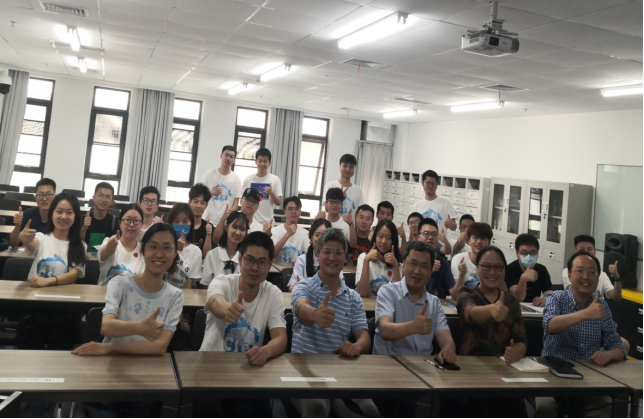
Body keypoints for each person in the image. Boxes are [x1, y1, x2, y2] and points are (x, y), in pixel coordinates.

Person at [72, 223, 185, 418]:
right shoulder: (120, 283)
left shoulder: (175, 295)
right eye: (153, 246)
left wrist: (109, 347)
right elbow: (107, 327)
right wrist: (139, 328)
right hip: (111, 374)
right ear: (143, 249)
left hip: (148, 380)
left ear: (175, 253)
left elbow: (159, 347)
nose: (159, 254)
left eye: (167, 247)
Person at [197, 232, 287, 418]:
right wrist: (227, 309)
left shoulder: (273, 294)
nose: (255, 268)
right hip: (211, 370)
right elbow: (215, 301)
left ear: (270, 264)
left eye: (262, 262)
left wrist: (265, 351)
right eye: (249, 260)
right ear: (240, 259)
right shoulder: (222, 282)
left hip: (248, 371)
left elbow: (280, 338)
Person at [291, 228, 373, 418]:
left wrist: (356, 346)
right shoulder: (303, 287)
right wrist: (315, 314)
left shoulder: (353, 297)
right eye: (327, 252)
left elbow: (364, 337)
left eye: (338, 253)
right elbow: (301, 308)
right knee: (317, 409)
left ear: (345, 257)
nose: (332, 258)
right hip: (303, 370)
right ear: (318, 254)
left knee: (368, 411)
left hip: (339, 371)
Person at [536, 251, 627, 418]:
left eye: (592, 272)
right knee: (546, 410)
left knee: (613, 409)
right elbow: (551, 325)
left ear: (598, 279)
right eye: (580, 271)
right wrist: (585, 314)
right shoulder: (556, 298)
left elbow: (618, 347)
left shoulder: (602, 306)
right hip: (554, 377)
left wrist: (608, 355)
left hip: (589, 380)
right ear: (569, 275)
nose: (586, 276)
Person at [456, 246, 528, 418]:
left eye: (498, 267)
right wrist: (491, 310)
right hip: (471, 374)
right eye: (486, 266)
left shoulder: (511, 301)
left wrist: (517, 352)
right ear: (477, 267)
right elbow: (470, 313)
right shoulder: (467, 293)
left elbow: (521, 339)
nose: (492, 272)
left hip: (505, 374)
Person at [17, 193, 87, 350]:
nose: (63, 217)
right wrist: (23, 237)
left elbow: (74, 274)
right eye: (59, 211)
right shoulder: (42, 238)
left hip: (64, 305)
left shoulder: (80, 245)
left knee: (61, 331)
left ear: (75, 216)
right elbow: (30, 243)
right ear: (52, 214)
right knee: (30, 331)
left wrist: (48, 281)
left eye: (69, 212)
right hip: (35, 302)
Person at [374, 241, 458, 359]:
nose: (417, 271)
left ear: (431, 271)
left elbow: (447, 341)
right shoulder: (387, 292)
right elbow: (385, 330)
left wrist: (447, 350)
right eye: (413, 263)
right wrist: (413, 327)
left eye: (424, 266)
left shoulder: (434, 303)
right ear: (404, 265)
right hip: (389, 364)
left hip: (423, 365)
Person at [562, 235, 622, 302]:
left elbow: (616, 297)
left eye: (589, 249)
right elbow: (574, 292)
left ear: (594, 252)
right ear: (576, 251)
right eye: (582, 249)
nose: (586, 252)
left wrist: (617, 277)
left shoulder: (603, 275)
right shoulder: (568, 272)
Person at [288, 219, 343, 292]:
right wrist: (295, 287)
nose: (320, 239)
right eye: (317, 235)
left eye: (324, 236)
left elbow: (339, 287)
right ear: (311, 236)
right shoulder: (302, 260)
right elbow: (292, 286)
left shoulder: (334, 261)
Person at [97, 204, 145, 286]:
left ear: (141, 224)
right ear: (120, 223)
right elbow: (104, 254)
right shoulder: (108, 241)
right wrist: (110, 247)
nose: (131, 224)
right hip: (105, 292)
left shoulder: (143, 251)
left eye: (136, 220)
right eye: (127, 220)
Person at [451, 222, 507, 291]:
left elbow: (504, 292)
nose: (479, 241)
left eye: (483, 238)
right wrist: (461, 275)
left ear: (489, 243)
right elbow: (456, 294)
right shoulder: (458, 259)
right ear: (469, 241)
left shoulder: (494, 262)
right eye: (475, 238)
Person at [201, 212, 249, 289]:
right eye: (234, 227)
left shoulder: (247, 257)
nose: (238, 232)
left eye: (242, 229)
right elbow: (206, 287)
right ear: (226, 227)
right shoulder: (212, 255)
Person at [356, 220, 402, 298]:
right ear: (375, 237)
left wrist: (395, 266)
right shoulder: (363, 257)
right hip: (367, 305)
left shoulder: (397, 262)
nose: (384, 241)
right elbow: (364, 293)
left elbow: (397, 295)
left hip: (388, 305)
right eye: (380, 236)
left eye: (389, 238)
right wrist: (366, 261)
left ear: (393, 241)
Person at [505, 234, 553, 307]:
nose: (529, 256)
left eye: (533, 253)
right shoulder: (509, 269)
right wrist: (523, 278)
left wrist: (546, 299)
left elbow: (550, 293)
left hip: (535, 308)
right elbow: (518, 298)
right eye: (524, 253)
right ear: (517, 253)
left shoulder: (542, 269)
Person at [164, 203, 203, 290]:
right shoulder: (162, 245)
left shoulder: (196, 251)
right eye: (176, 221)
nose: (180, 225)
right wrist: (173, 249)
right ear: (170, 223)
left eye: (185, 221)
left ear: (191, 223)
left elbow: (189, 285)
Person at [201, 145, 243, 225]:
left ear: (234, 160)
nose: (228, 158)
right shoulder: (209, 174)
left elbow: (236, 203)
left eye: (231, 157)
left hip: (224, 222)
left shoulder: (236, 179)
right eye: (226, 155)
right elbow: (200, 194)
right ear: (221, 155)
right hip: (206, 219)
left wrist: (230, 213)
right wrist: (212, 192)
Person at [417, 219, 457, 300]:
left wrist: (462, 274)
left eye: (434, 234)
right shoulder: (412, 261)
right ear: (418, 237)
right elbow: (411, 293)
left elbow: (454, 294)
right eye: (426, 233)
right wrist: (429, 271)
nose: (430, 237)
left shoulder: (443, 263)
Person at [10, 178, 57, 247]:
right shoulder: (28, 214)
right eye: (40, 194)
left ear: (55, 197)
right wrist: (17, 226)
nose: (44, 198)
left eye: (49, 194)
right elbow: (14, 244)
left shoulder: (59, 217)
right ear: (35, 198)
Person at [242, 147, 283, 225]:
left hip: (267, 222)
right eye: (260, 161)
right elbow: (243, 201)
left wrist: (271, 193)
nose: (262, 164)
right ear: (256, 162)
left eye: (265, 161)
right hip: (250, 221)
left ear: (269, 163)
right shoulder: (248, 180)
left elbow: (278, 202)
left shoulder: (275, 179)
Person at [322, 154, 364, 222]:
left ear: (354, 169)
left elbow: (360, 213)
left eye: (351, 167)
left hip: (349, 227)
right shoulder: (330, 186)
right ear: (340, 167)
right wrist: (339, 198)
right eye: (345, 166)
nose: (347, 169)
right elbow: (326, 208)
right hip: (331, 226)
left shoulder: (358, 190)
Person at [272, 197, 309, 264]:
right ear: (285, 212)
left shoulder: (305, 233)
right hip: (277, 270)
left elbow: (309, 255)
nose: (294, 212)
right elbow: (272, 254)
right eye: (290, 209)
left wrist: (301, 261)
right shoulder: (275, 231)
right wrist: (287, 235)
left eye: (297, 209)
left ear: (300, 212)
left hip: (297, 269)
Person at [80, 182, 118, 247]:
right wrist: (84, 228)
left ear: (112, 201)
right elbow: (77, 244)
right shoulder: (82, 219)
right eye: (100, 195)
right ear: (94, 198)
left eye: (108, 197)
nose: (103, 200)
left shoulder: (114, 222)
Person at [188, 183, 214, 256]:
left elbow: (206, 255)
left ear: (206, 205)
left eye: (202, 203)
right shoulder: (182, 224)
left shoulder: (208, 227)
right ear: (189, 203)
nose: (198, 206)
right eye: (195, 202)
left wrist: (208, 235)